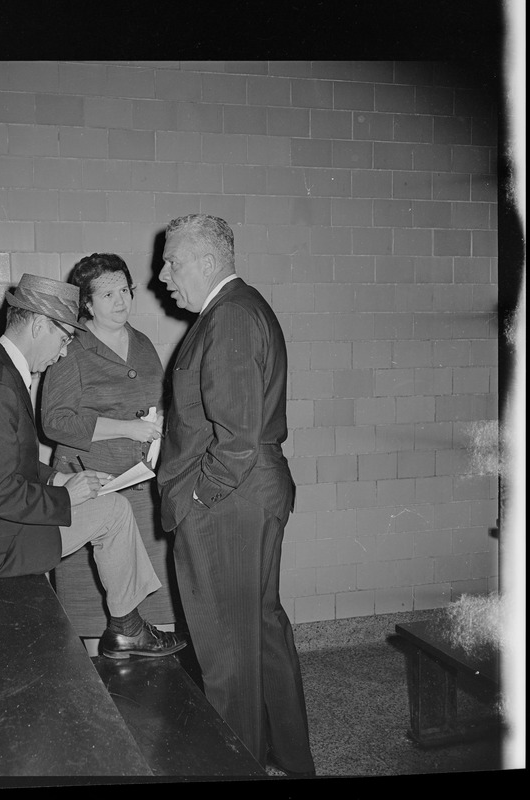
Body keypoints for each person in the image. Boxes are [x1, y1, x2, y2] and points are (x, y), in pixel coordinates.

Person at [0, 273, 186, 660]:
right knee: (113, 514)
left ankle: (127, 627)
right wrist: (65, 494)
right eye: (65, 338)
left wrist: (57, 475)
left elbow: (9, 459)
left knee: (113, 510)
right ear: (38, 325)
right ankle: (128, 628)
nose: (65, 352)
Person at [157, 214, 315, 776]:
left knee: (226, 649)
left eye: (172, 260)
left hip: (229, 502)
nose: (162, 274)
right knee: (259, 632)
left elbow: (238, 438)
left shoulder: (227, 317)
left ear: (208, 260)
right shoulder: (241, 308)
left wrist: (200, 499)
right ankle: (289, 758)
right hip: (251, 495)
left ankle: (237, 767)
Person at [40, 253, 178, 638]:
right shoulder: (73, 348)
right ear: (86, 303)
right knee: (94, 619)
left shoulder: (143, 342)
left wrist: (159, 425)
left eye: (125, 290)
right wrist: (127, 429)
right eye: (107, 295)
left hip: (143, 492)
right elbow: (55, 422)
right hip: (93, 490)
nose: (120, 302)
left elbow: (157, 402)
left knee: (158, 608)